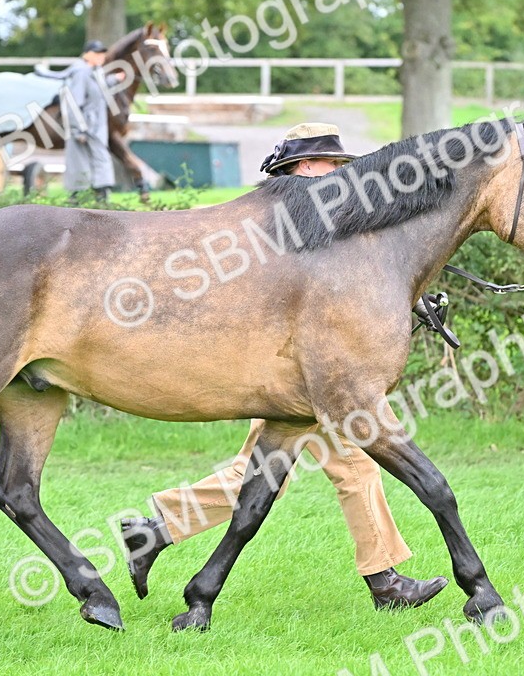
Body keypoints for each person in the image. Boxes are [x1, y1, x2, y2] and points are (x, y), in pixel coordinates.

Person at [120, 122, 449, 611]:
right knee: (332, 470)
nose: (340, 172)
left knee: (281, 475)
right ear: (306, 166)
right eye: (331, 164)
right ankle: (385, 583)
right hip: (295, 376)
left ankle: (153, 531)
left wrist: (412, 299)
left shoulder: (318, 220)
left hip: (307, 375)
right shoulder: (290, 222)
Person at [61, 40, 116, 202]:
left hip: (96, 127)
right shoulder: (81, 73)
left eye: (102, 53)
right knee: (81, 163)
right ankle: (78, 199)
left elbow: (98, 88)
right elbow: (73, 103)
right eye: (97, 53)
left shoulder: (96, 72)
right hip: (85, 127)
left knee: (99, 160)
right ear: (87, 55)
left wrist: (115, 79)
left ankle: (101, 197)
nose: (101, 56)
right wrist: (78, 129)